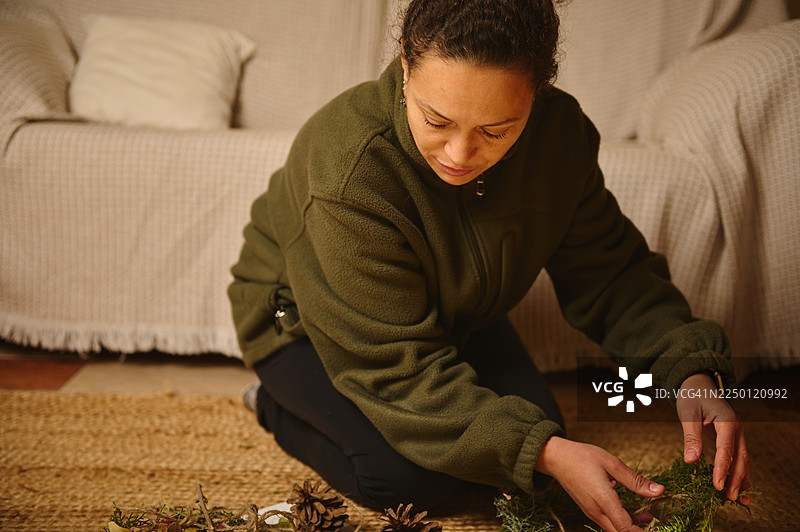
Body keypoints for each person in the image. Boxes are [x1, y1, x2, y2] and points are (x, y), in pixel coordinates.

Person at [228, 1, 750, 530]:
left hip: (452, 316)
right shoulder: (347, 168)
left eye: (497, 130)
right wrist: (543, 452)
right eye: (436, 120)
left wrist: (690, 370)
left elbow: (611, 272)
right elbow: (394, 369)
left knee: (537, 436)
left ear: (536, 93)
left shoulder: (560, 138)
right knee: (411, 482)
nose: (459, 153)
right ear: (406, 64)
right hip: (304, 325)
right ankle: (271, 404)